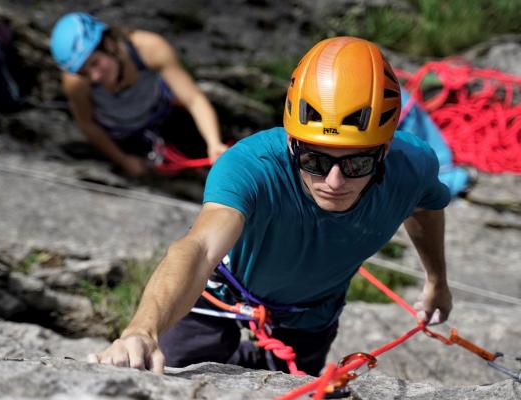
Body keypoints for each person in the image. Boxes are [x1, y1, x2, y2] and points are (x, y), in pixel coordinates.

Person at [89, 37, 453, 375]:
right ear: (292, 144)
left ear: (385, 150)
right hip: (222, 291)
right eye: (314, 160)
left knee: (288, 383)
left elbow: (424, 207)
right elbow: (199, 249)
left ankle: (246, 362)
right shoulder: (251, 165)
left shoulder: (413, 167)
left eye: (357, 164)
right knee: (179, 364)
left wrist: (436, 280)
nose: (334, 181)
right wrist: (142, 330)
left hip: (311, 310)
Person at [50, 12, 228, 176]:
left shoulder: (149, 49)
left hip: (165, 118)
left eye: (95, 63)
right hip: (125, 138)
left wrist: (213, 143)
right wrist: (122, 159)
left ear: (108, 43)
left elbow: (193, 98)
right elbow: (88, 124)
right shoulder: (75, 82)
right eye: (84, 72)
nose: (94, 76)